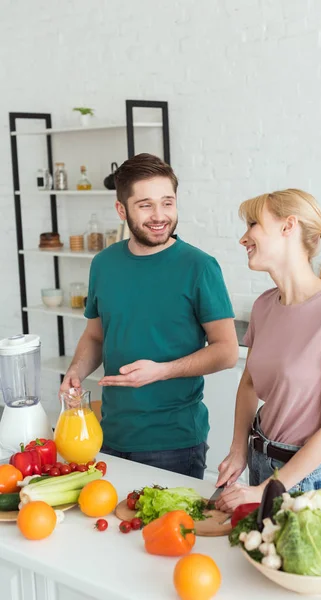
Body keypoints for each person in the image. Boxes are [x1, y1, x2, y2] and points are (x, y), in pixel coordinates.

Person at [60, 153, 238, 479]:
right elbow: (96, 336)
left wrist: (161, 371)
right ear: (121, 210)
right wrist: (76, 369)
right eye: (145, 205)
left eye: (167, 203)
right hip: (109, 433)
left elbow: (227, 351)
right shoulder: (104, 264)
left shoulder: (199, 267)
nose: (160, 215)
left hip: (174, 442)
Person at [215, 188, 321, 512]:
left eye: (253, 224)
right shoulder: (264, 305)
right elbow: (250, 383)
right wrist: (239, 449)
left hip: (301, 480)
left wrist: (267, 489)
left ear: (288, 227)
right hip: (258, 462)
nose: (243, 238)